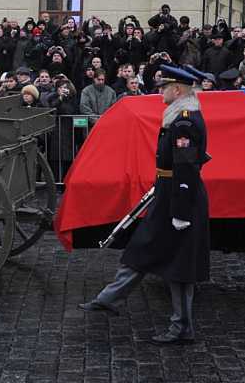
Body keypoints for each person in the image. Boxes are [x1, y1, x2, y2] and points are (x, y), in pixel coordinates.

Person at [78, 65, 210, 345]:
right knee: (142, 246)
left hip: (179, 200)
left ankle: (182, 327)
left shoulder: (184, 122)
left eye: (165, 87)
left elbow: (186, 168)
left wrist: (181, 212)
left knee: (180, 267)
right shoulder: (178, 118)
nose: (161, 91)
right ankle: (107, 299)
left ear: (177, 91)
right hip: (168, 193)